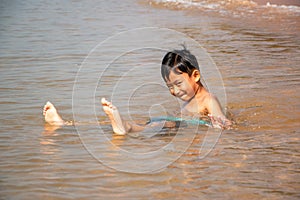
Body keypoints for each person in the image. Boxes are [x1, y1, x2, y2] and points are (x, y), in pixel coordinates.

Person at [43, 48, 232, 134]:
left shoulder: (209, 99)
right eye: (169, 87)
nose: (174, 91)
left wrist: (221, 124)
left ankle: (125, 127)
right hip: (175, 125)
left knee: (148, 127)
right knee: (144, 125)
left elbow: (221, 119)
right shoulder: (189, 96)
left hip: (177, 126)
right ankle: (65, 124)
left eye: (178, 84)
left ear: (196, 76)